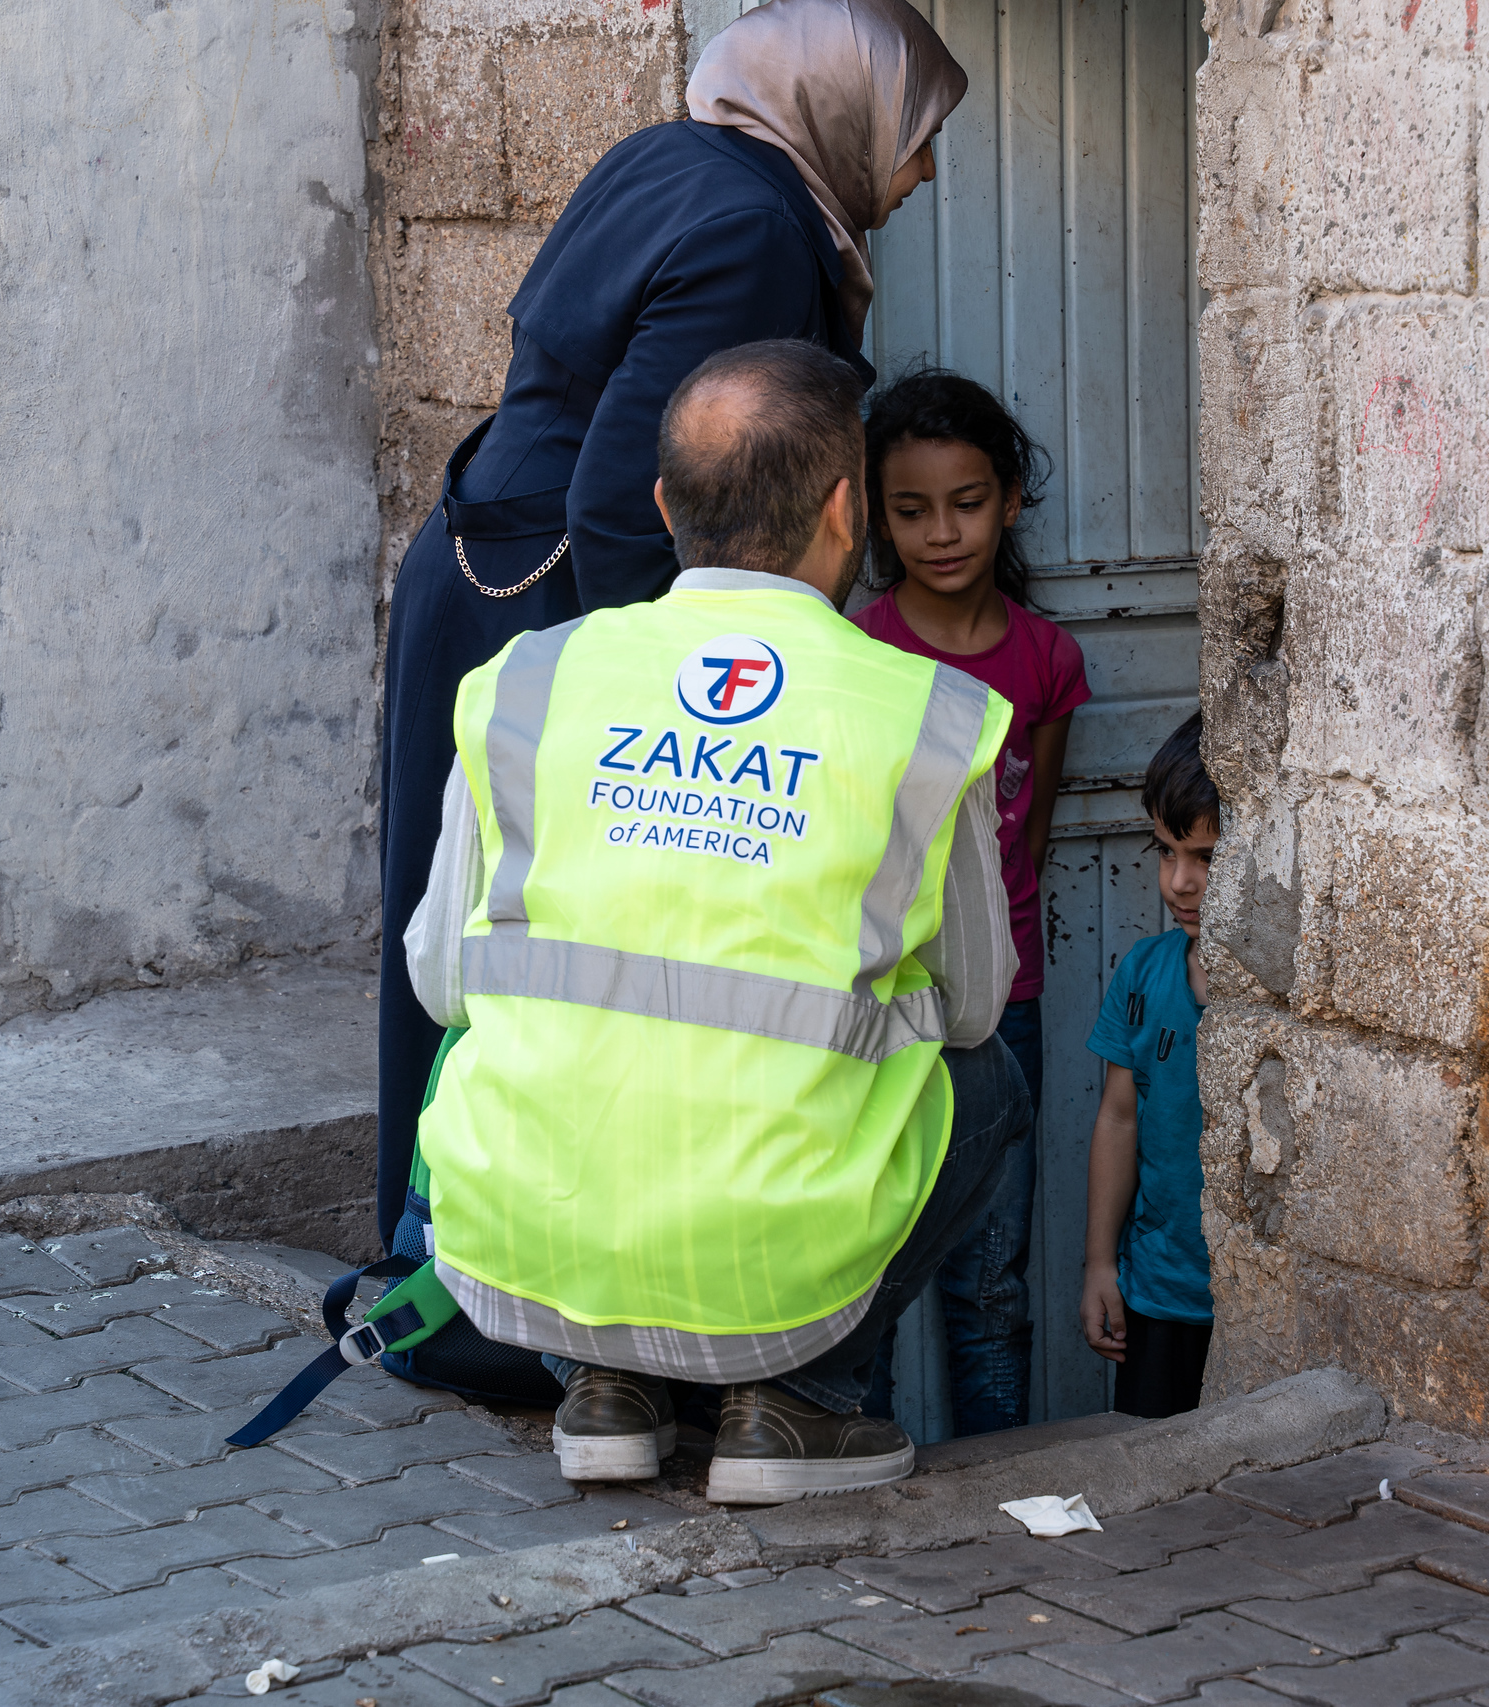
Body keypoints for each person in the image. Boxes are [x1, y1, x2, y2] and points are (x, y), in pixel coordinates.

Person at [375, 0, 969, 1260]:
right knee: (541, 966)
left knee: (477, 951)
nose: (923, 173)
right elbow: (624, 500)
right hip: (554, 596)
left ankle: (446, 1277)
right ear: (844, 112)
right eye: (916, 138)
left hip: (475, 574)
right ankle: (504, 1291)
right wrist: (664, 693)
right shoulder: (759, 231)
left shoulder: (672, 158)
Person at [402, 340, 1031, 1504]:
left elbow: (440, 984)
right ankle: (800, 1405)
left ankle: (602, 1388)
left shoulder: (528, 680)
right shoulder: (924, 715)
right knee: (985, 1082)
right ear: (847, 511)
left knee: (494, 1028)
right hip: (772, 1265)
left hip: (523, 1254)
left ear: (662, 505)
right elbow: (975, 1007)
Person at [850, 369, 1092, 1435]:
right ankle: (849, 1452)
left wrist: (997, 963)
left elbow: (1024, 839)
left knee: (991, 1273)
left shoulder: (1047, 660)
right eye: (911, 510)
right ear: (874, 515)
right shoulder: (858, 655)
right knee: (857, 1258)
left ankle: (997, 1473)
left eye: (967, 502)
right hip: (872, 1004)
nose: (942, 533)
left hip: (1002, 1004)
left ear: (1010, 501)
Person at [1079, 714, 1218, 1419]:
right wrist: (1101, 1263)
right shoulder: (1143, 971)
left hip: (1248, 1299)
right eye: (1165, 852)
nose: (1179, 882)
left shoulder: (1282, 998)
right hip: (1158, 1291)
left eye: (1205, 858)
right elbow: (1118, 1116)